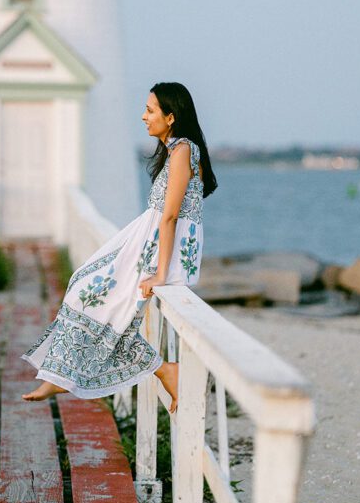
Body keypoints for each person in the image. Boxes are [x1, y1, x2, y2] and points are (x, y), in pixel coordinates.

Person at [22, 82, 217, 412]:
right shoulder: (177, 150)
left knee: (95, 298)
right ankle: (165, 371)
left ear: (171, 117)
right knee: (88, 289)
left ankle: (64, 379)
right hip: (147, 241)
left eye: (150, 110)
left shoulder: (183, 149)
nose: (143, 116)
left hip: (157, 248)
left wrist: (160, 272)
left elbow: (170, 217)